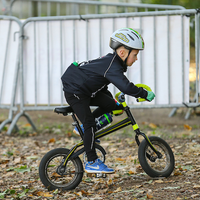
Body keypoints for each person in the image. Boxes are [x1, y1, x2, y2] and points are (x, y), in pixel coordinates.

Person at [61, 28, 155, 174]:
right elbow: (126, 86)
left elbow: (99, 83)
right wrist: (143, 93)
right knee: (90, 123)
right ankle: (91, 161)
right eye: (135, 55)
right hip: (76, 91)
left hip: (84, 88)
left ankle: (86, 131)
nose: (136, 58)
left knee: (111, 104)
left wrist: (112, 101)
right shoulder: (113, 66)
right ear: (123, 53)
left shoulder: (112, 63)